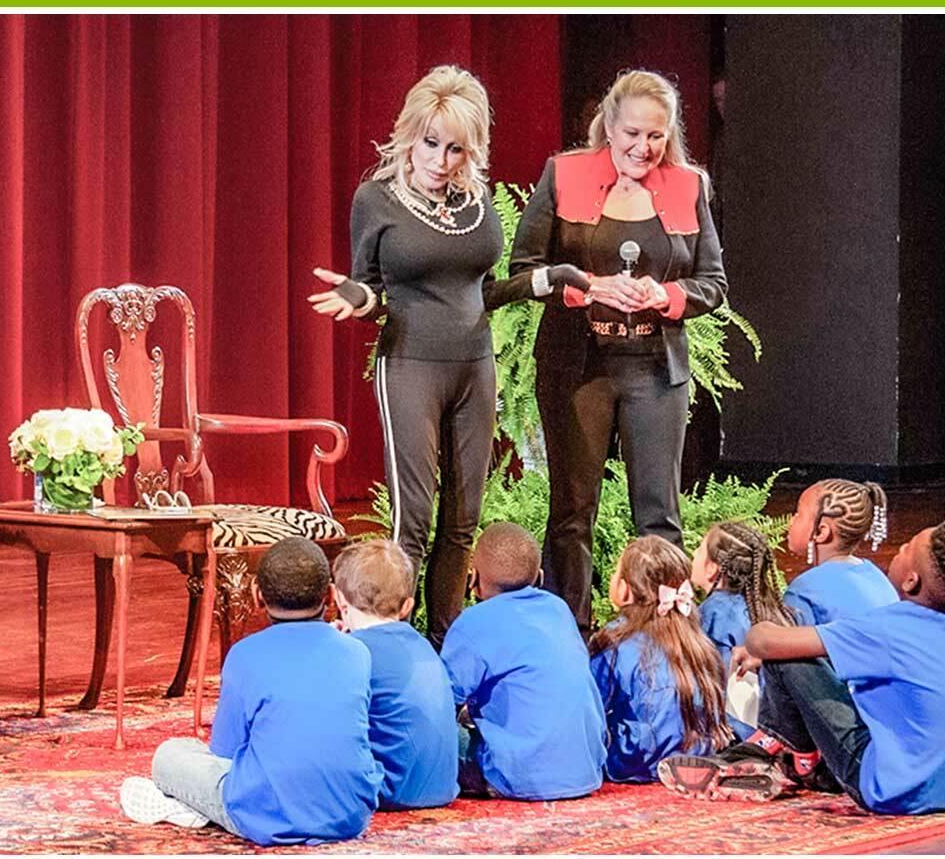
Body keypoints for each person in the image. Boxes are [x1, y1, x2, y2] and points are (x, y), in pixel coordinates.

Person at [307, 65, 584, 647]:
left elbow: (480, 292)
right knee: (415, 520)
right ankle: (395, 643)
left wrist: (544, 281)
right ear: (410, 134)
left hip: (473, 366)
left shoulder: (477, 199)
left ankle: (444, 641)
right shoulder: (376, 199)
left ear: (472, 148)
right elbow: (371, 285)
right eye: (431, 143)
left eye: (455, 147)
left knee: (462, 522)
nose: (440, 158)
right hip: (410, 364)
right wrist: (356, 297)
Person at [508, 69, 727, 631]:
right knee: (571, 511)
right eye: (631, 133)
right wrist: (586, 286)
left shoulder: (687, 184)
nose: (642, 148)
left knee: (659, 512)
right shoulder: (564, 174)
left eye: (655, 136)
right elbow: (523, 269)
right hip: (577, 368)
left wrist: (667, 294)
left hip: (654, 368)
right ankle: (571, 633)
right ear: (608, 125)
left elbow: (713, 283)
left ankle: (663, 635)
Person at [658, 519, 945, 816]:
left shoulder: (890, 628)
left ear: (911, 582)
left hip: (890, 788)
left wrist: (761, 647)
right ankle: (784, 754)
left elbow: (763, 641)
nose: (899, 548)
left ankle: (791, 759)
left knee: (787, 656)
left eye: (905, 548)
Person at [119, 538, 380, 845]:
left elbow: (225, 751)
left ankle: (193, 809)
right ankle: (196, 808)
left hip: (266, 817)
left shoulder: (245, 654)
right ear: (331, 595)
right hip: (351, 814)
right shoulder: (357, 652)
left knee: (168, 756)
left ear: (256, 595)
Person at [440, 523, 605, 800]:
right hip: (586, 769)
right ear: (539, 577)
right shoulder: (558, 609)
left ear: (473, 579)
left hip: (516, 774)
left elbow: (441, 700)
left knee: (421, 730)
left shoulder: (473, 622)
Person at [589, 536, 732, 783]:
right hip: (699, 752)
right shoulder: (697, 638)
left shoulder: (615, 641)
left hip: (638, 761)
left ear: (624, 589)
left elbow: (591, 704)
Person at [332, 539, 459, 809]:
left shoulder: (351, 653)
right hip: (443, 785)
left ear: (339, 598)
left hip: (387, 789)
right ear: (407, 606)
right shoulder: (423, 646)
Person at [690, 521, 793, 730]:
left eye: (700, 549)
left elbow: (711, 691)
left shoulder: (715, 614)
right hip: (773, 731)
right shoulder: (770, 607)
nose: (693, 553)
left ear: (712, 568)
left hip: (735, 734)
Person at [781, 479, 896, 627]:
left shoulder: (804, 589)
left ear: (821, 532)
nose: (791, 521)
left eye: (798, 514)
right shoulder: (875, 574)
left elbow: (788, 645)